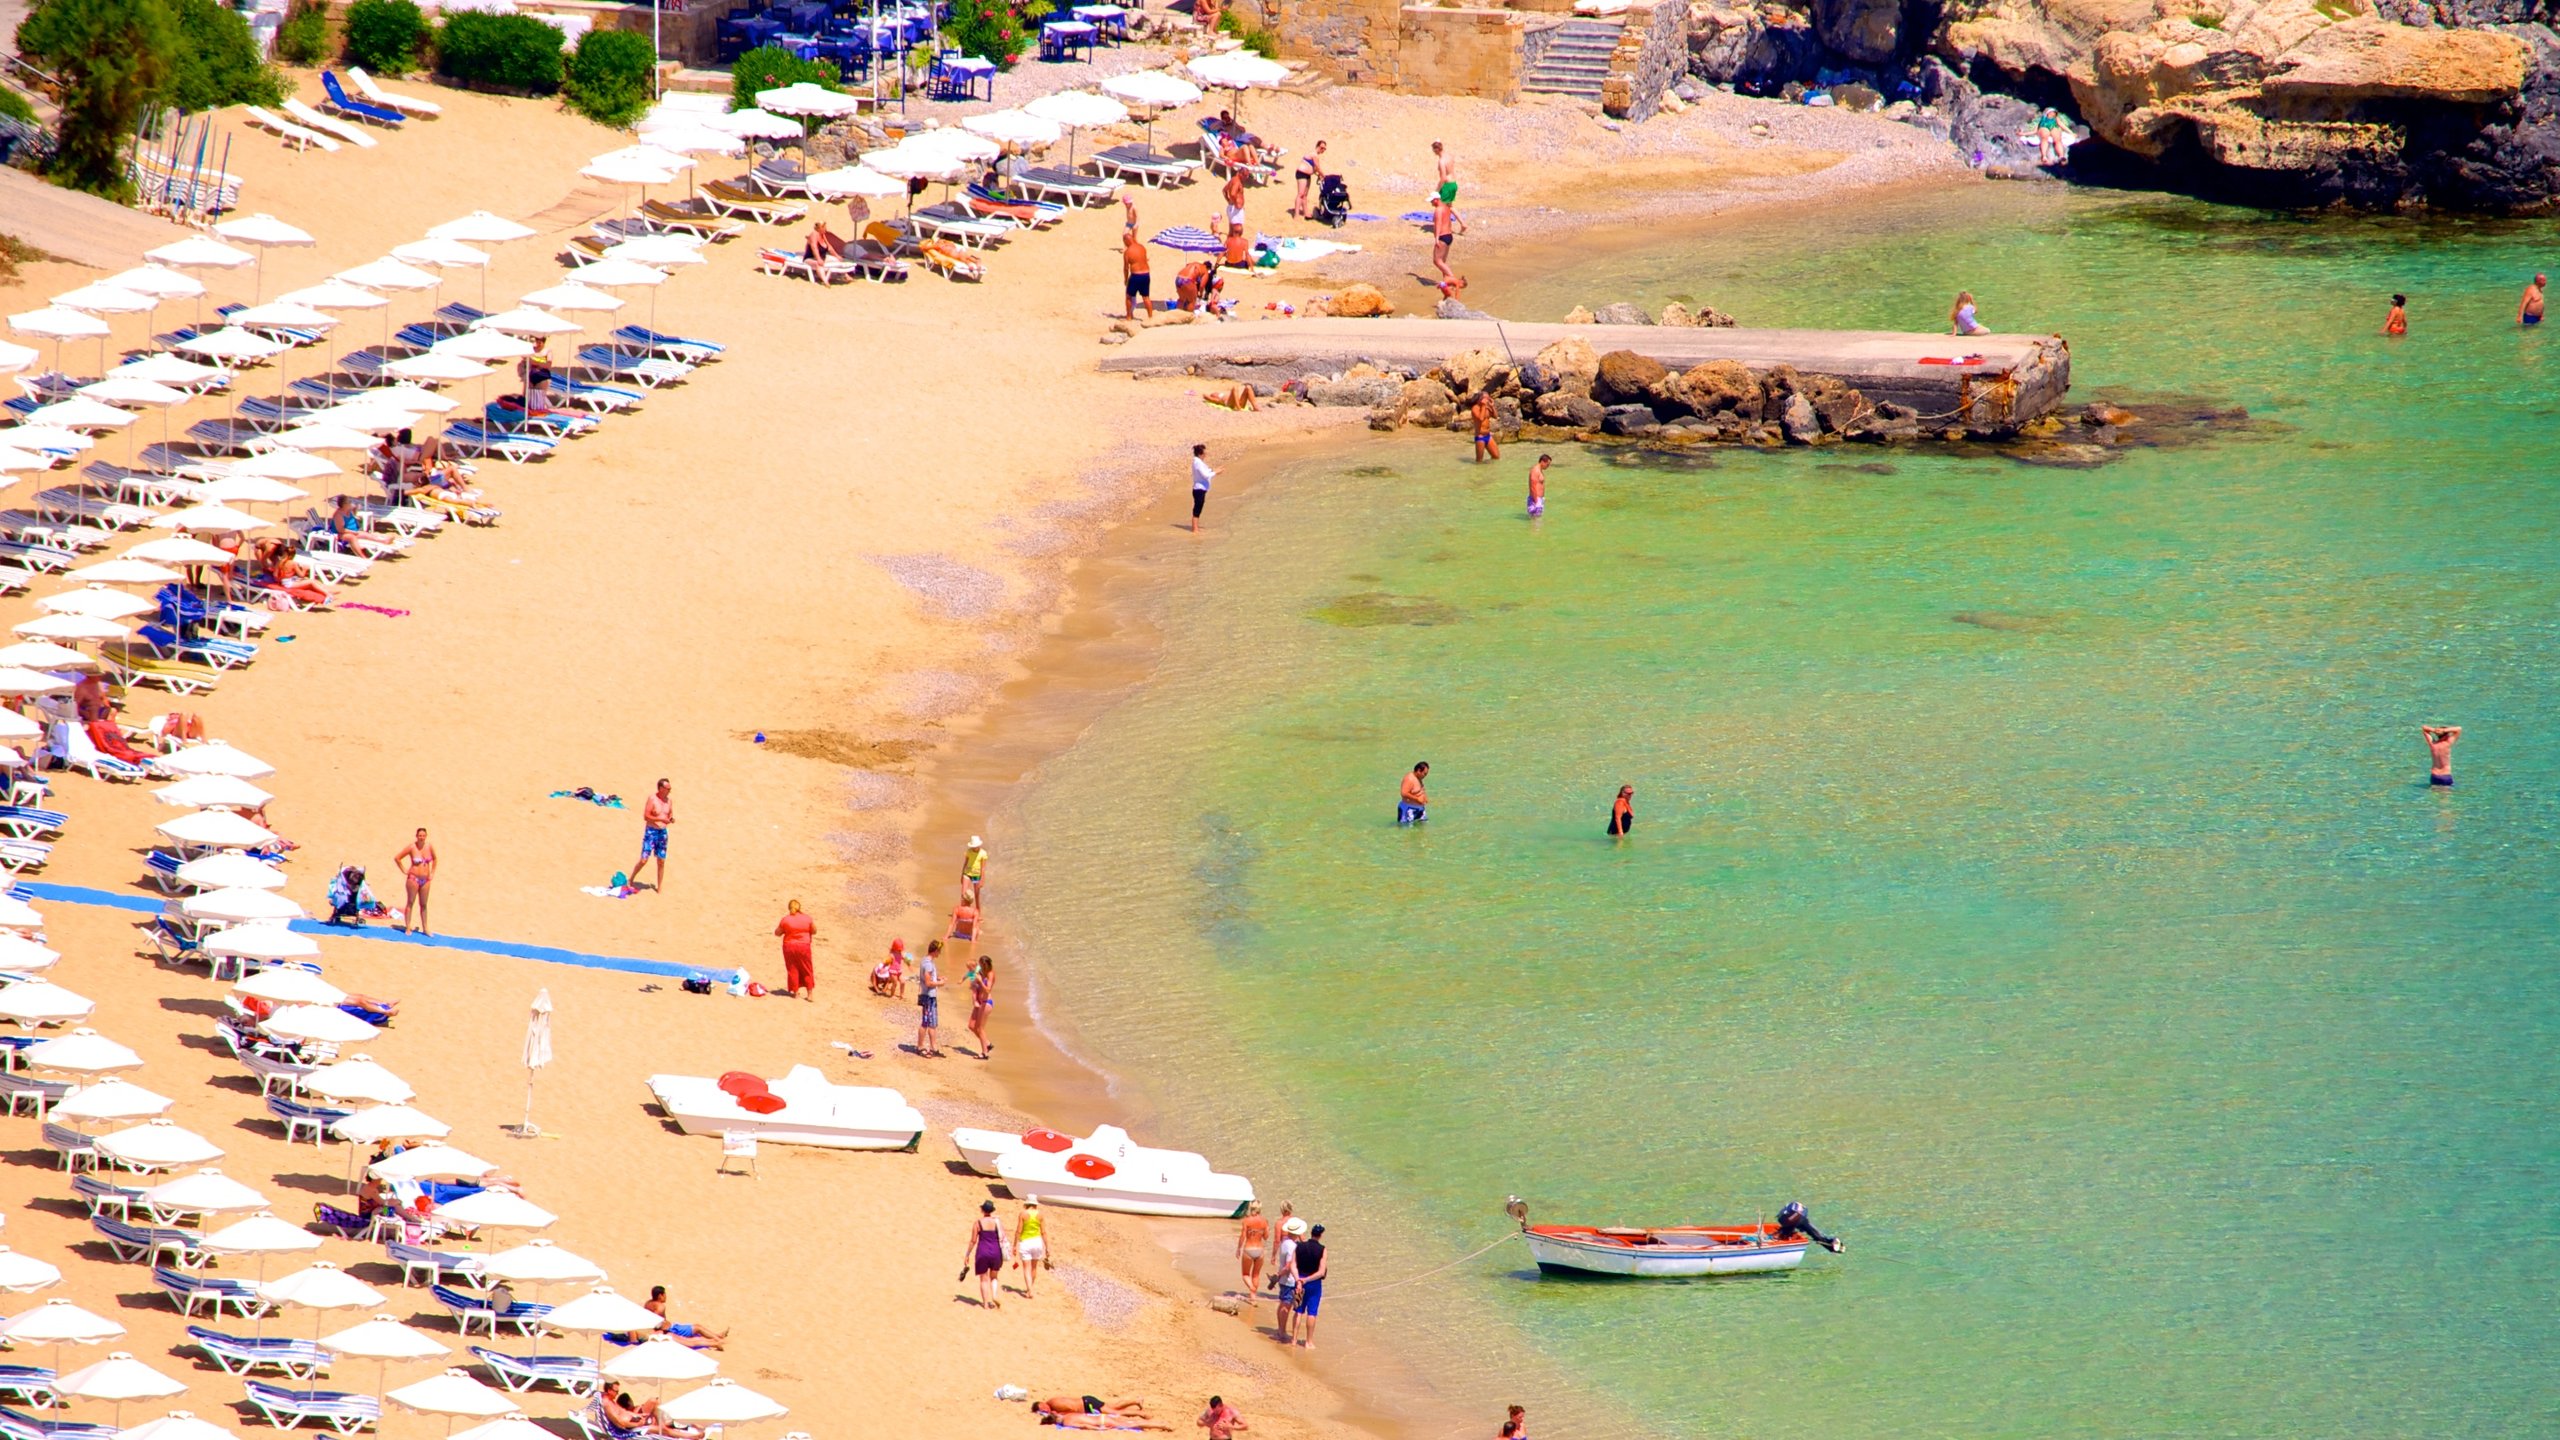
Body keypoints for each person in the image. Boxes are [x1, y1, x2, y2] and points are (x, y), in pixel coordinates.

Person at [644, 1285, 729, 1348]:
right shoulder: (660, 1307)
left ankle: (717, 1336)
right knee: (697, 1328)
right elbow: (655, 1320)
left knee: (697, 1328)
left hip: (671, 1327)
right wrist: (662, 1329)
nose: (666, 1296)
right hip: (672, 1330)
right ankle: (718, 1340)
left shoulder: (648, 1303)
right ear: (660, 1296)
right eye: (664, 1294)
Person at [628, 778, 673, 893]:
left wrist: (670, 819)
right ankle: (631, 878)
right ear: (661, 788)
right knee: (644, 860)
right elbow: (646, 816)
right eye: (668, 788)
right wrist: (660, 818)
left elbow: (670, 813)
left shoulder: (669, 801)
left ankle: (659, 887)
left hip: (662, 833)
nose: (669, 790)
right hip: (651, 831)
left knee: (661, 861)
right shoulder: (652, 799)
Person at [393, 827, 436, 936]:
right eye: (419, 835)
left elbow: (435, 859)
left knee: (424, 904)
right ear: (416, 836)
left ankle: (425, 928)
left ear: (426, 836)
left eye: (423, 835)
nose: (421, 837)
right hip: (413, 878)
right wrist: (404, 870)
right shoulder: (412, 847)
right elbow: (397, 858)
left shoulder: (429, 846)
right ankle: (408, 927)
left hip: (425, 879)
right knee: (410, 902)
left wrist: (432, 872)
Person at [1291, 1223, 1327, 1349]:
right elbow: (1321, 1272)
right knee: (1312, 1312)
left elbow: (1293, 1265)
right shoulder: (1322, 1249)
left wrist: (1298, 1280)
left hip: (1299, 1281)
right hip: (1313, 1283)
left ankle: (1294, 1339)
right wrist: (1306, 1280)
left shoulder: (1299, 1246)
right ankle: (1308, 1341)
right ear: (1320, 1235)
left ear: (1311, 1233)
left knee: (1298, 1311)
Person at [966, 1199, 1006, 1308]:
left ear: (982, 1210)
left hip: (982, 1251)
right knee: (994, 1277)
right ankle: (994, 1295)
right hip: (996, 1251)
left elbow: (973, 1241)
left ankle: (985, 1304)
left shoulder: (978, 1223)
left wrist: (967, 1254)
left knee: (983, 1279)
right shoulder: (997, 1222)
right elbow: (1003, 1237)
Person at [775, 899, 817, 1001]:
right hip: (804, 946)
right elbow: (814, 931)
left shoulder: (785, 919)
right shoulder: (807, 918)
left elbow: (777, 933)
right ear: (799, 907)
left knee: (792, 969)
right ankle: (810, 994)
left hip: (789, 947)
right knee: (807, 969)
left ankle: (796, 993)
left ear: (789, 908)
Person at [1271, 1216, 1304, 1342]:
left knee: (1282, 1304)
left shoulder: (1285, 1242)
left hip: (1284, 1280)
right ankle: (1282, 1332)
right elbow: (1289, 1265)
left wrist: (1279, 1275)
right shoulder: (1292, 1246)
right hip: (1289, 1280)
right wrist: (1280, 1274)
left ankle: (1281, 1330)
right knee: (1286, 1306)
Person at [1774, 1200, 1845, 1253]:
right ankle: (1832, 1244)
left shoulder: (1786, 1220)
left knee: (1815, 1234)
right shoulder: (1793, 1217)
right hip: (1800, 1218)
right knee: (1815, 1234)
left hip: (1794, 1221)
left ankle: (1832, 1245)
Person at [1430, 195, 1467, 298]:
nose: (1431, 203)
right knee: (1443, 262)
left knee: (1437, 261)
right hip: (1449, 236)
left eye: (1432, 201)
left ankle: (1453, 280)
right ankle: (1447, 286)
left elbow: (1438, 224)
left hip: (1442, 236)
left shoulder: (1438, 210)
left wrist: (1436, 238)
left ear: (1436, 200)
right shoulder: (1447, 207)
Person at [1012, 1192, 1045, 1295]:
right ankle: (1029, 1289)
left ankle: (1029, 1289)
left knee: (1026, 1268)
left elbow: (1019, 1230)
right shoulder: (1040, 1215)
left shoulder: (1023, 1214)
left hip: (1026, 1242)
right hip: (1037, 1242)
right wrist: (1047, 1247)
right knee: (1034, 1267)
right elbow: (1044, 1232)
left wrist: (1014, 1245)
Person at [915, 939, 945, 1057]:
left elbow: (928, 979)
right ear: (935, 950)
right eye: (939, 951)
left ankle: (933, 1047)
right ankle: (920, 1046)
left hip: (929, 996)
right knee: (926, 1022)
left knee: (932, 1023)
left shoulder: (925, 961)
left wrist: (937, 979)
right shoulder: (928, 963)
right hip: (928, 996)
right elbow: (928, 982)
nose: (940, 953)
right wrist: (940, 983)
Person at [1236, 1201, 1268, 1302]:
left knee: (1245, 1274)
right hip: (1260, 1249)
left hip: (1249, 1249)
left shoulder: (1246, 1221)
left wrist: (1238, 1248)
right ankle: (1253, 1296)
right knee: (1256, 1274)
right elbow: (1266, 1237)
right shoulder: (1264, 1221)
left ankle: (1252, 1289)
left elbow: (1243, 1236)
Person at [967, 954, 996, 1059]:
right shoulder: (982, 972)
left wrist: (980, 981)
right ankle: (987, 1044)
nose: (979, 966)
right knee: (971, 1025)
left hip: (986, 1002)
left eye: (981, 964)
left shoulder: (990, 974)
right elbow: (972, 976)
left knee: (980, 1028)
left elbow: (988, 989)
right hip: (979, 1002)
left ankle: (984, 1053)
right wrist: (974, 983)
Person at [1292, 141, 1328, 219]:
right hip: (1301, 173)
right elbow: (1318, 168)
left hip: (1307, 175)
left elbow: (1315, 169)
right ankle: (1296, 215)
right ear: (1318, 146)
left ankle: (1306, 213)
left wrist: (1319, 176)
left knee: (1305, 195)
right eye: (1322, 148)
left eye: (1324, 149)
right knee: (1300, 194)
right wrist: (1324, 176)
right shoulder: (1314, 155)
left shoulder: (1316, 156)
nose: (1323, 150)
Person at [1122, 226, 1152, 320]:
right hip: (1146, 275)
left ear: (1126, 241)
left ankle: (1128, 317)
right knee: (1146, 297)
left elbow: (1126, 268)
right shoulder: (1142, 247)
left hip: (1136, 276)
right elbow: (1144, 259)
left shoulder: (1127, 252)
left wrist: (1126, 279)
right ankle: (1150, 317)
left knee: (1129, 297)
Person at [1033, 1399, 1148, 1420]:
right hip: (1087, 1401)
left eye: (1043, 1408)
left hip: (1088, 1405)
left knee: (1115, 1412)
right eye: (1043, 1411)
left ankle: (1141, 1414)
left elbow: (1072, 1408)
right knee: (1114, 1407)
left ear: (1043, 1403)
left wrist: (1059, 1413)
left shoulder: (1055, 1405)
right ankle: (1136, 1401)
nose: (1045, 1411)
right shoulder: (1052, 1402)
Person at [1189, 443, 1215, 533]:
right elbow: (1205, 475)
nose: (1206, 455)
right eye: (1204, 453)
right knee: (1197, 509)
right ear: (1200, 454)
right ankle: (1195, 529)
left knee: (1198, 508)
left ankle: (1195, 527)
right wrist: (1216, 472)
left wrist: (1213, 471)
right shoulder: (1197, 463)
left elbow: (1206, 472)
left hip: (1200, 489)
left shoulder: (1198, 462)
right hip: (1199, 489)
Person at [1469, 391, 1499, 462]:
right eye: (1485, 398)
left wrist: (1492, 406)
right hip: (1480, 437)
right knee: (1479, 461)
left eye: (1488, 398)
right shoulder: (1475, 408)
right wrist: (1483, 406)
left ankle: (1489, 470)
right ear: (1480, 399)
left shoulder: (1487, 407)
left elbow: (1495, 416)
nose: (1487, 400)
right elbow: (1481, 419)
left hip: (1488, 436)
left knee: (1496, 456)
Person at [1398, 761, 1429, 826]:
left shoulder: (1418, 778)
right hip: (1409, 810)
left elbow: (1420, 789)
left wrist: (1424, 797)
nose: (1425, 776)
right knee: (1407, 831)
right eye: (1424, 774)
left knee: (1421, 830)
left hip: (1420, 809)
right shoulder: (1409, 779)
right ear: (1419, 770)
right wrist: (1417, 799)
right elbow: (1404, 793)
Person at [961, 832, 989, 902]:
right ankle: (962, 911)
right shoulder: (969, 851)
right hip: (967, 873)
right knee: (963, 895)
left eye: (975, 846)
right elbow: (965, 863)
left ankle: (977, 911)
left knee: (976, 896)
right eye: (973, 846)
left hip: (976, 875)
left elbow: (983, 868)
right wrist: (962, 874)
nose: (974, 848)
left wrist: (982, 879)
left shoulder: (983, 853)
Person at [1526, 453, 1549, 519]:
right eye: (1547, 464)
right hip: (1535, 499)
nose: (1548, 466)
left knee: (1537, 521)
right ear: (1542, 461)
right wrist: (1536, 501)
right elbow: (1533, 486)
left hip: (1538, 499)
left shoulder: (1539, 470)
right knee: (1536, 521)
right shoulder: (1535, 471)